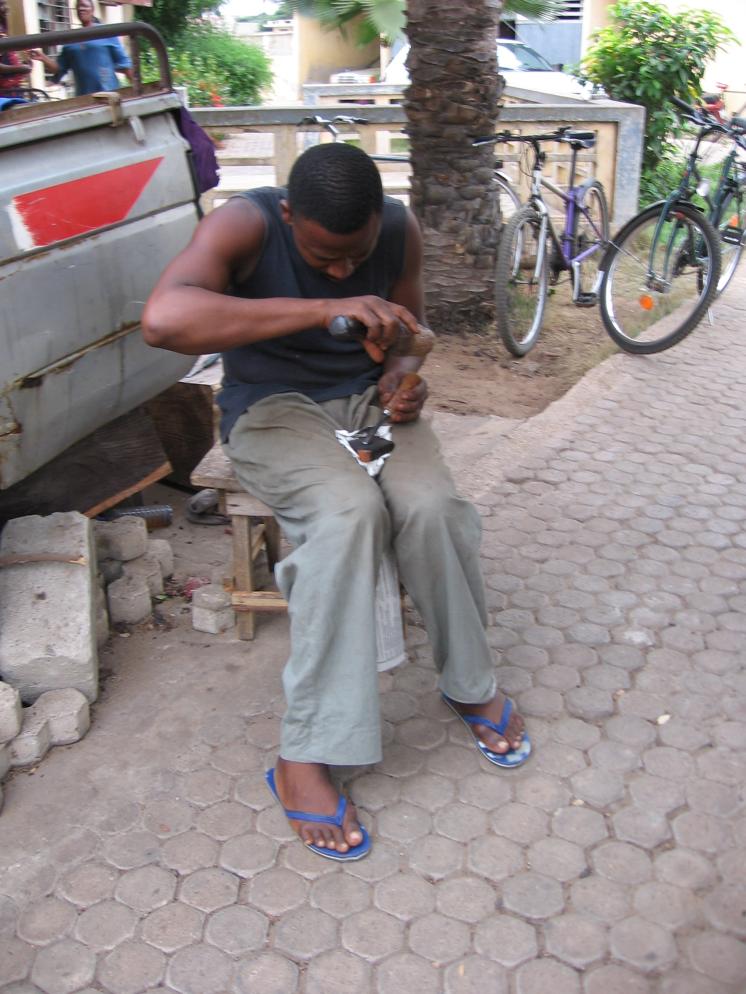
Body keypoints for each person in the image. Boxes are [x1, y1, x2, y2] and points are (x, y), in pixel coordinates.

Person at [142, 142, 530, 861]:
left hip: (368, 411)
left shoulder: (398, 227)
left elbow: (412, 335)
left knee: (432, 506)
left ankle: (468, 681)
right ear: (289, 215)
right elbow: (164, 321)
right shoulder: (245, 224)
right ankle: (307, 750)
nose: (347, 269)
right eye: (326, 257)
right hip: (275, 410)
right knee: (350, 513)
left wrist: (405, 376)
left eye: (358, 257)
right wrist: (323, 306)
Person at [29, 0, 131, 97]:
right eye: (78, 6)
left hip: (109, 94)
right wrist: (42, 57)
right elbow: (59, 69)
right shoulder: (70, 39)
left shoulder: (106, 32)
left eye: (85, 6)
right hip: (83, 98)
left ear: (92, 10)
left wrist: (138, 90)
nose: (81, 9)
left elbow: (125, 64)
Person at [0, 1, 31, 94]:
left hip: (13, 90)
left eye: (5, 4)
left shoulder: (3, 29)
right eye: (1, 4)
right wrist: (19, 68)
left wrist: (26, 63)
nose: (6, 8)